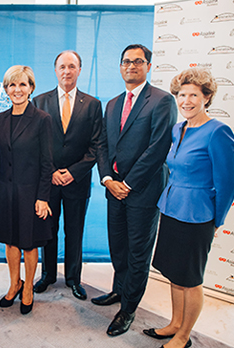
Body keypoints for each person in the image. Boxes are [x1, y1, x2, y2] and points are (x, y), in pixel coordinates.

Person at [144, 68, 234, 348]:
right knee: (174, 273)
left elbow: (227, 183)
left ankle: (184, 336)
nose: (186, 100)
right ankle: (174, 323)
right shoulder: (178, 128)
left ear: (206, 98)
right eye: (182, 95)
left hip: (198, 217)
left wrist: (215, 221)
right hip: (171, 209)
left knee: (191, 279)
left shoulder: (218, 131)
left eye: (193, 95)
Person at [95, 44, 177, 336]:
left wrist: (127, 184)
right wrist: (107, 179)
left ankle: (128, 309)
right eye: (126, 61)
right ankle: (119, 291)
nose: (131, 66)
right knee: (118, 246)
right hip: (113, 189)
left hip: (142, 191)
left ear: (148, 66)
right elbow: (102, 145)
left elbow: (157, 150)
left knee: (138, 252)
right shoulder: (113, 103)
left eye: (138, 61)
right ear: (120, 67)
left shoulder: (162, 101)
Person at [32, 50, 102, 300]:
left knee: (75, 232)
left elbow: (96, 146)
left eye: (72, 66)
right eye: (62, 66)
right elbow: (34, 145)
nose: (67, 71)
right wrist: (51, 172)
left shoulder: (93, 104)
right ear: (55, 70)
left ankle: (74, 278)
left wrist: (72, 172)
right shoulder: (39, 102)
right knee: (47, 231)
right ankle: (47, 275)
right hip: (47, 181)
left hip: (77, 182)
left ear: (79, 70)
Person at [0, 65, 53, 315]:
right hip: (5, 192)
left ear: (31, 88)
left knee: (28, 244)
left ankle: (28, 290)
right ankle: (14, 284)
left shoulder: (42, 119)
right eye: (12, 85)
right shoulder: (1, 119)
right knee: (10, 241)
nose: (17, 89)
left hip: (30, 194)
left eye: (22, 84)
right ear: (6, 89)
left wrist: (42, 197)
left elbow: (47, 163)